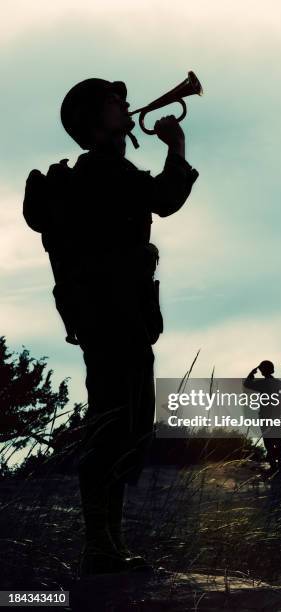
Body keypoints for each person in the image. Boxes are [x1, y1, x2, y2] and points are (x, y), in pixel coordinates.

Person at [23, 78, 198, 575]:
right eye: (115, 103)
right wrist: (178, 147)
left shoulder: (103, 170)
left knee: (127, 424)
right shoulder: (102, 170)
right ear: (95, 120)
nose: (127, 106)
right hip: (113, 315)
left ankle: (108, 546)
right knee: (116, 425)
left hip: (117, 315)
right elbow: (163, 197)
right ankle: (100, 548)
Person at [243, 360, 281, 474]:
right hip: (276, 415)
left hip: (265, 416)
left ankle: (274, 465)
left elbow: (247, 383)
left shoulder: (263, 383)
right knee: (278, 441)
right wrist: (280, 406)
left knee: (269, 441)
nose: (260, 371)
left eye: (262, 369)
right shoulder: (279, 383)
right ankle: (279, 465)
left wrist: (251, 373)